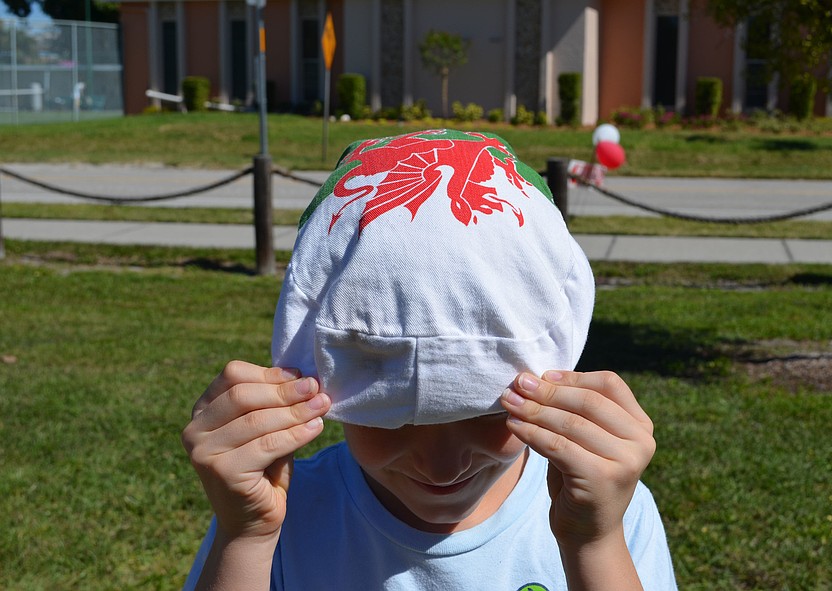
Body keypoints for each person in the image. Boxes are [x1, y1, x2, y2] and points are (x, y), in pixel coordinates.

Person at [181, 129, 677, 591]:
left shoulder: (605, 507)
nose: (441, 467)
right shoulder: (275, 512)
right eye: (393, 414)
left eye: (486, 410)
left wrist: (593, 543)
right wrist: (245, 538)